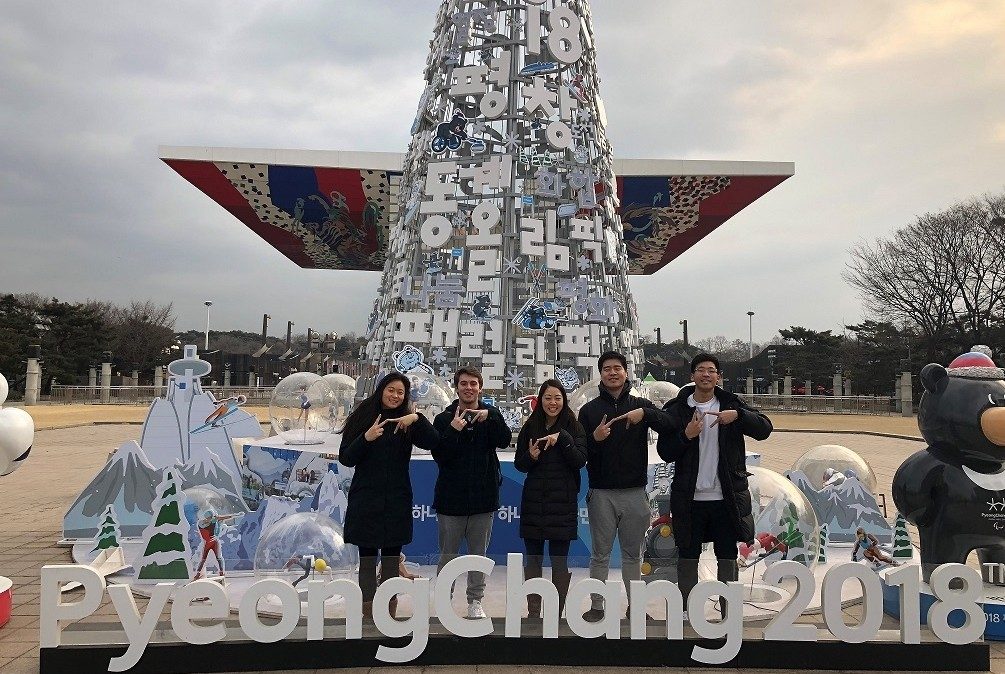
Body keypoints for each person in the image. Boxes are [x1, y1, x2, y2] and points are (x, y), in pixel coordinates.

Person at [658, 353, 773, 616]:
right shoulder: (677, 409)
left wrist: (739, 416)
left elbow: (765, 428)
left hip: (726, 498)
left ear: (718, 376)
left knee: (727, 555)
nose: (706, 374)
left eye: (711, 370)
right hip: (690, 498)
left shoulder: (730, 404)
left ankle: (728, 613)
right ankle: (687, 612)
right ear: (692, 376)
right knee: (688, 555)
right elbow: (665, 451)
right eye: (701, 370)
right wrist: (686, 436)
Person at [577, 351, 674, 623]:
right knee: (600, 555)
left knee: (633, 555)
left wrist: (645, 413)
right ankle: (598, 606)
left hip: (634, 493)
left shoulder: (641, 405)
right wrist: (595, 438)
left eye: (617, 368)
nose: (612, 373)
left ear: (626, 373)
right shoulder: (589, 410)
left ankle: (635, 607)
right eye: (606, 368)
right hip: (602, 493)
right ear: (601, 375)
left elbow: (669, 424)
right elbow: (579, 453)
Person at [339, 372, 439, 619]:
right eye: (391, 390)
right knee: (368, 558)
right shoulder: (363, 416)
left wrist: (416, 418)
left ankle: (389, 611)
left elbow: (434, 441)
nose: (395, 396)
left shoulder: (406, 422)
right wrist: (366, 438)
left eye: (400, 392)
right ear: (382, 389)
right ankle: (367, 612)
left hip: (396, 498)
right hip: (366, 499)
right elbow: (346, 458)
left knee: (392, 559)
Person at [432, 366, 513, 619]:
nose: (469, 388)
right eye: (464, 383)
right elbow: (441, 455)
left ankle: (475, 601)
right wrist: (454, 429)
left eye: (473, 384)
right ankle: (444, 601)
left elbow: (504, 439)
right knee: (448, 556)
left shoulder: (491, 415)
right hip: (450, 501)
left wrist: (490, 417)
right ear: (456, 387)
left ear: (480, 387)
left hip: (483, 499)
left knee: (479, 557)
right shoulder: (444, 419)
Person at [514, 379, 587, 618]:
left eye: (557, 398)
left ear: (564, 400)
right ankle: (533, 611)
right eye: (548, 398)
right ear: (540, 400)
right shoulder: (531, 426)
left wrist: (562, 438)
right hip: (534, 502)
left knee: (559, 562)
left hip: (562, 504)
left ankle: (556, 613)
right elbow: (519, 464)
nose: (552, 403)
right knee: (533, 560)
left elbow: (579, 461)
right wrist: (531, 455)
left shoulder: (573, 427)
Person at [193, 509, 236, 579]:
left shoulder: (213, 522)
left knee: (218, 558)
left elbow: (223, 517)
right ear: (206, 517)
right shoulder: (201, 523)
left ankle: (221, 571)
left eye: (211, 518)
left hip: (214, 542)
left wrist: (234, 516)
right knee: (203, 559)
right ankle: (198, 573)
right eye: (209, 518)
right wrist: (215, 519)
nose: (210, 519)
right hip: (207, 543)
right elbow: (205, 524)